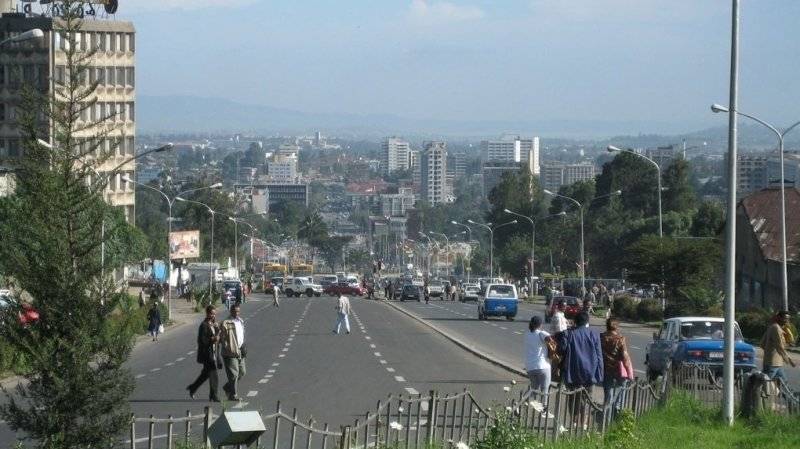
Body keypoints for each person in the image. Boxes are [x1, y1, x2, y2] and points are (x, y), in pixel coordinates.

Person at [559, 312, 603, 392]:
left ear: (575, 321)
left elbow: (562, 350)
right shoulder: (594, 334)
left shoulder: (568, 333)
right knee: (588, 398)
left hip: (573, 372)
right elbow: (599, 355)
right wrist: (599, 373)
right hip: (590, 372)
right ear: (587, 322)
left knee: (572, 398)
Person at [187, 305, 222, 402]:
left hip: (214, 353)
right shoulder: (204, 325)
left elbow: (219, 336)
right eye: (212, 314)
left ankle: (193, 387)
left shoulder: (214, 324)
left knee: (206, 374)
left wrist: (218, 330)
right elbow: (202, 341)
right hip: (207, 354)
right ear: (207, 313)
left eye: (215, 314)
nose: (213, 316)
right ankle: (214, 395)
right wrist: (213, 339)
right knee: (214, 374)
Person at [601, 318, 634, 417]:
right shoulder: (620, 339)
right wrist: (629, 372)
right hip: (618, 369)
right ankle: (618, 407)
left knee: (608, 391)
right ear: (617, 327)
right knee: (622, 387)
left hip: (606, 368)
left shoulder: (601, 337)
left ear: (607, 326)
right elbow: (625, 357)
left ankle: (607, 412)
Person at [220, 305, 246, 401]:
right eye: (234, 311)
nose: (236, 313)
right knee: (234, 374)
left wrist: (243, 346)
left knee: (242, 372)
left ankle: (228, 387)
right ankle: (233, 395)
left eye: (238, 311)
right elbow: (222, 338)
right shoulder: (226, 323)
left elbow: (241, 335)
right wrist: (228, 347)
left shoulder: (241, 321)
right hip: (230, 352)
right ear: (230, 311)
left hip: (240, 351)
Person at [761, 311, 796, 383]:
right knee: (764, 383)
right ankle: (753, 393)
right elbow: (779, 346)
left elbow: (762, 344)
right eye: (785, 318)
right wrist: (789, 360)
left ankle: (781, 394)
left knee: (783, 383)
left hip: (775, 362)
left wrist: (769, 350)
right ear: (779, 318)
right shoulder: (776, 328)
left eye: (788, 319)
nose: (787, 321)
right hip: (773, 363)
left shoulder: (773, 327)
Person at [525, 315, 552, 394]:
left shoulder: (527, 334)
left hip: (530, 367)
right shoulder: (541, 333)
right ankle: (544, 405)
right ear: (540, 324)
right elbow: (550, 339)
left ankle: (523, 403)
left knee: (534, 388)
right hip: (542, 367)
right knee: (545, 390)